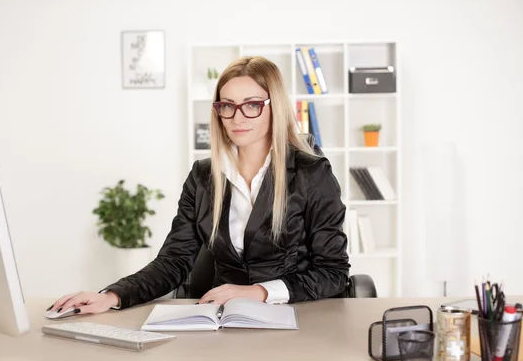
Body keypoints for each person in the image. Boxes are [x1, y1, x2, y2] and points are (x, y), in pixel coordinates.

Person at [49, 56, 350, 315]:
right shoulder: (204, 176)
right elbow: (174, 261)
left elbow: (333, 271)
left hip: (299, 317)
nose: (237, 117)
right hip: (223, 321)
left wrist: (259, 292)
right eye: (227, 106)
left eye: (252, 105)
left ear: (276, 107)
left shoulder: (312, 173)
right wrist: (111, 296)